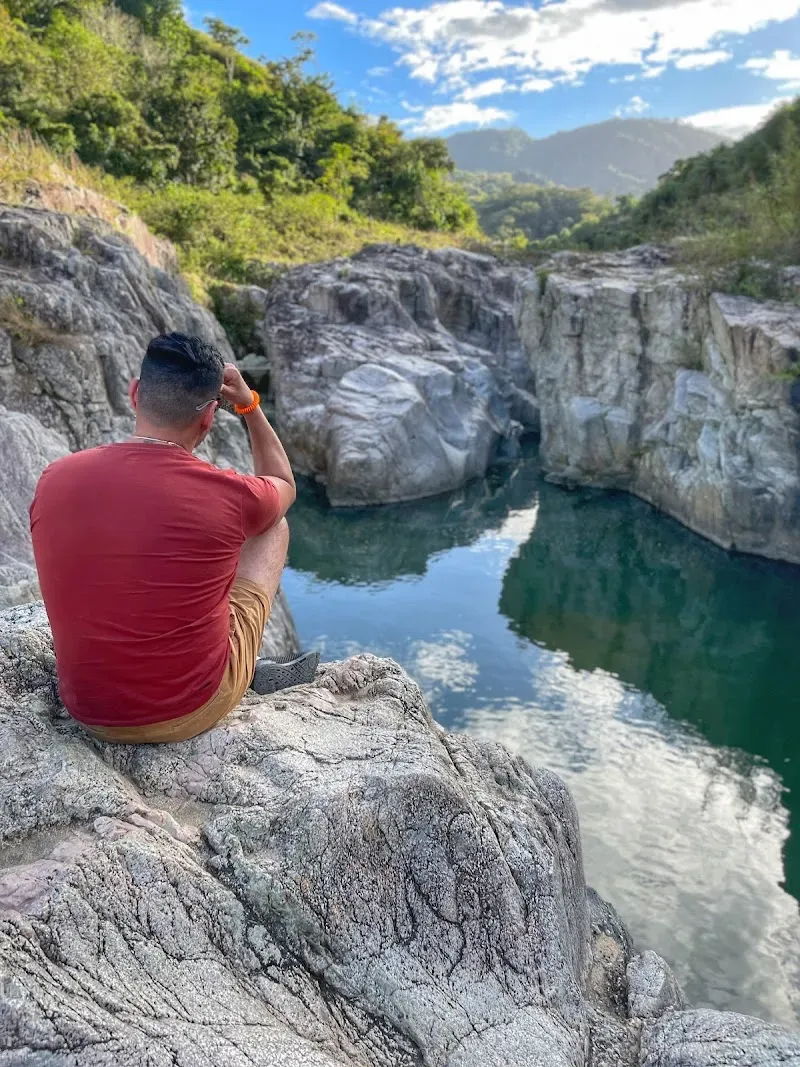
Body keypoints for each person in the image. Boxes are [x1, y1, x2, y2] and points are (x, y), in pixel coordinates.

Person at [30, 333, 318, 744]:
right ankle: (240, 664)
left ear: (134, 394)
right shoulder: (229, 494)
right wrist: (249, 405)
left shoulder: (54, 478)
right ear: (207, 419)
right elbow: (282, 482)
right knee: (273, 526)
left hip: (87, 711)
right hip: (187, 710)